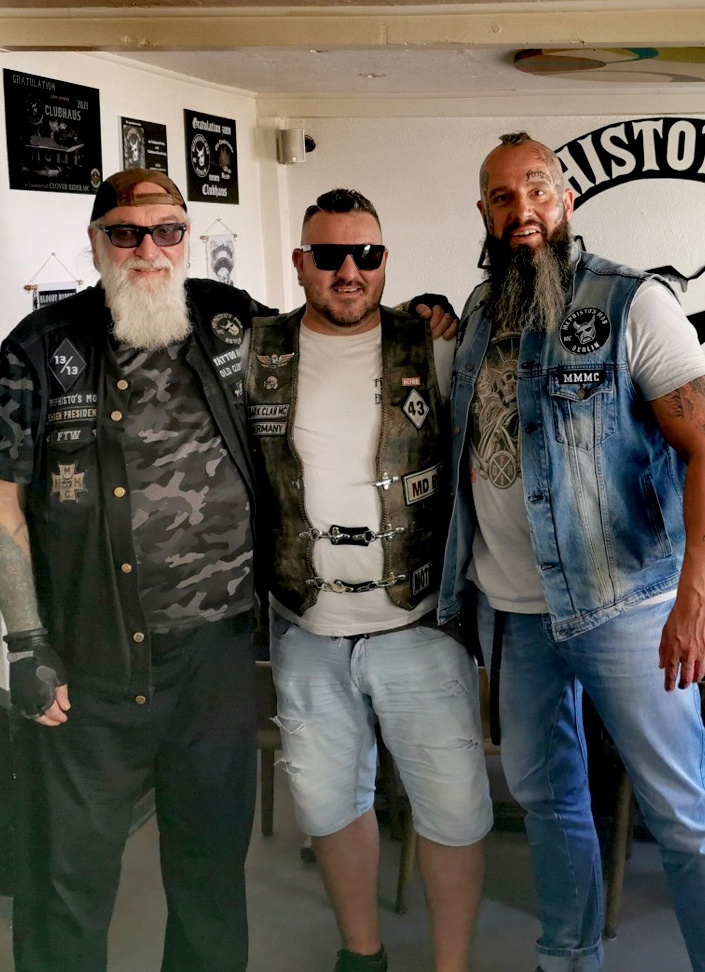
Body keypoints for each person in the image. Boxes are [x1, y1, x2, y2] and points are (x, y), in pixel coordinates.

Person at [438, 133, 705, 972]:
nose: (522, 210)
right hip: (512, 612)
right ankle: (568, 958)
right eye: (503, 197)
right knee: (548, 803)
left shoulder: (631, 302)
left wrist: (696, 598)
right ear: (484, 212)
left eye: (537, 190)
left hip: (626, 608)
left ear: (567, 200)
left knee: (683, 816)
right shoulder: (478, 315)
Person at [0, 168, 273, 972]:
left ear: (186, 237)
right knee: (67, 878)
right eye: (126, 232)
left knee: (211, 869)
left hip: (216, 655)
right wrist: (26, 643)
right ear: (97, 241)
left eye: (167, 230)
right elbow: (1, 502)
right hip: (90, 659)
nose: (149, 249)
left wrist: (426, 320)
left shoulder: (233, 321)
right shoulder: (41, 347)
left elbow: (333, 336)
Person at [246, 188, 492, 972]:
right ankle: (362, 955)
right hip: (307, 627)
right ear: (300, 263)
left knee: (453, 809)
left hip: (419, 625)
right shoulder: (255, 352)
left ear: (386, 260)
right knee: (327, 807)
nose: (348, 270)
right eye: (328, 255)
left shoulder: (435, 346)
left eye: (367, 254)